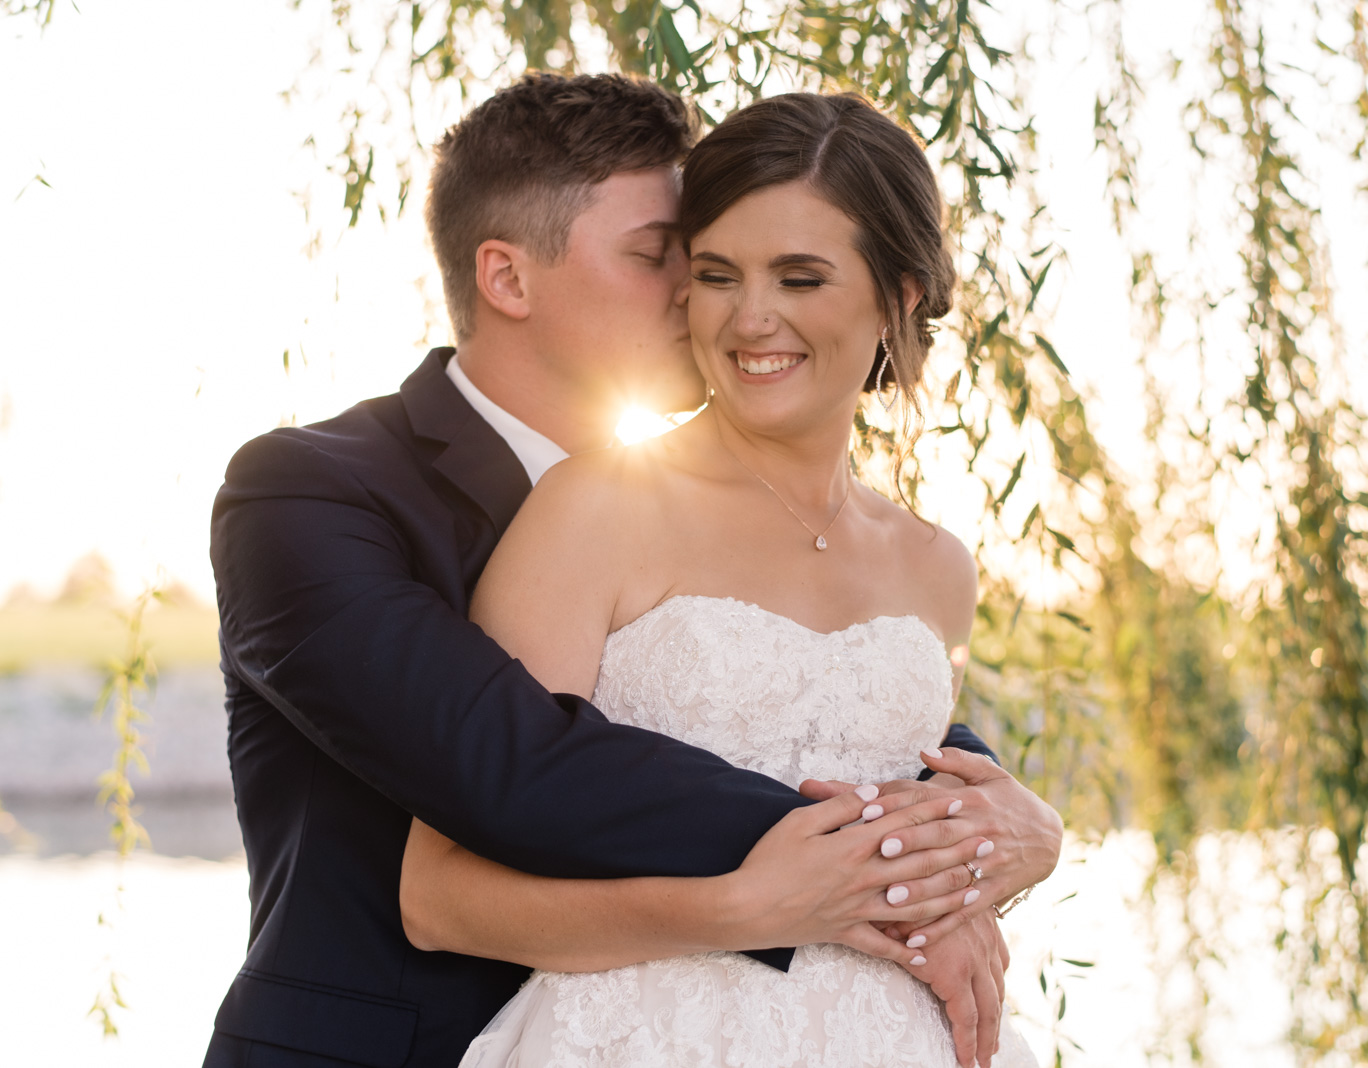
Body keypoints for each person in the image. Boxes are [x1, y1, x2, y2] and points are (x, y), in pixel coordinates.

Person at [205, 73, 1063, 1068]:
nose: (716, 307)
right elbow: (512, 759)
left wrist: (1009, 818)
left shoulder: (910, 552)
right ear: (508, 278)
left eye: (777, 271)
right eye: (678, 260)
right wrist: (883, 871)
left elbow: (855, 711)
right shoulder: (311, 495)